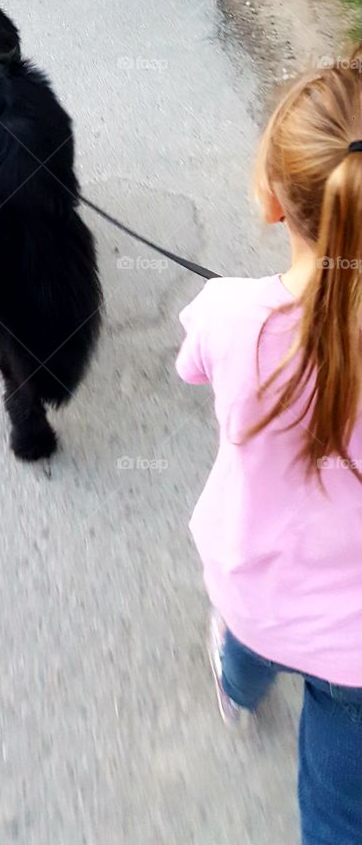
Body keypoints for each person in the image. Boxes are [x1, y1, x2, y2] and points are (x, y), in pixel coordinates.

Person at [176, 51, 362, 845]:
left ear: (270, 203)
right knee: (337, 814)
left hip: (253, 586)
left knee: (245, 649)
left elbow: (189, 368)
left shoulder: (224, 314)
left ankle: (235, 685)